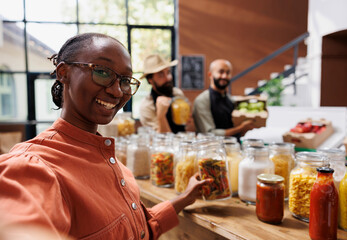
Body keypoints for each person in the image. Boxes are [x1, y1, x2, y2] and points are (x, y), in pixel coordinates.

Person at [0, 33, 210, 240]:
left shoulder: (110, 159)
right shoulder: (35, 166)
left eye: (125, 80)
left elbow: (136, 230)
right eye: (102, 72)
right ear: (63, 73)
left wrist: (185, 198)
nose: (118, 91)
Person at [192, 59, 255, 139]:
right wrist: (240, 128)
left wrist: (247, 127)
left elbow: (237, 133)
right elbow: (209, 134)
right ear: (210, 75)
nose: (224, 76)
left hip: (234, 148)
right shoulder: (202, 100)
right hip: (212, 149)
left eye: (228, 73)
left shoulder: (230, 100)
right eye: (221, 72)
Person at [139, 54, 193, 133]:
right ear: (150, 80)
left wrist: (189, 122)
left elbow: (189, 129)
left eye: (168, 72)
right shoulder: (147, 106)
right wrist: (161, 116)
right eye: (161, 75)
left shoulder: (177, 93)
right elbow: (160, 140)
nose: (167, 78)